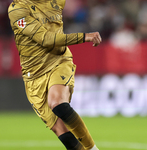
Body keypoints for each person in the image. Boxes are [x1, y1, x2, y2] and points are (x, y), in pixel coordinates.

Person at [8, 0, 102, 149]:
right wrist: (84, 36)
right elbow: (45, 39)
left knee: (57, 103)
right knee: (60, 129)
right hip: (33, 76)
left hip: (58, 61)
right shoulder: (18, 9)